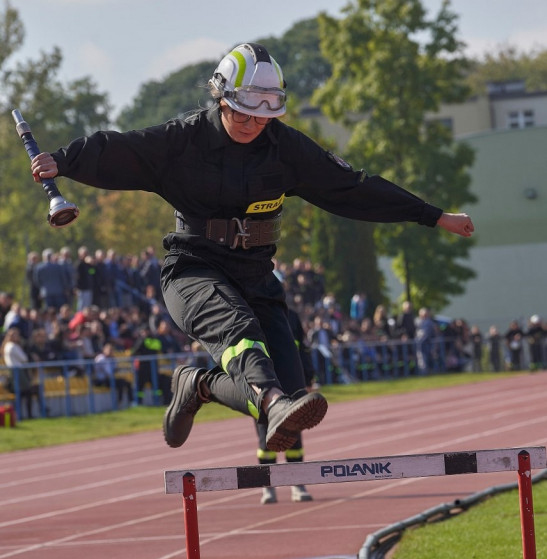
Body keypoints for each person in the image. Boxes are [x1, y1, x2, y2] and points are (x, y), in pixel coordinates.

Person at [29, 42, 474, 452]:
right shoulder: (182, 140)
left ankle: (198, 385)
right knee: (241, 335)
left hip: (256, 275)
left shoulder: (286, 149)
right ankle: (265, 398)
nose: (252, 125)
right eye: (242, 114)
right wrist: (63, 161)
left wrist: (433, 215)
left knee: (291, 397)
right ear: (222, 99)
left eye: (263, 117)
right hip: (192, 270)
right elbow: (117, 149)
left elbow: (352, 188)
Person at [257, 306, 316, 504]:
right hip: (264, 385)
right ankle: (268, 487)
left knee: (293, 436)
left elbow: (304, 349)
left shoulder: (291, 316)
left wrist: (308, 378)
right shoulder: (251, 312)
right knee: (265, 439)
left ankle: (297, 484)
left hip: (292, 382)